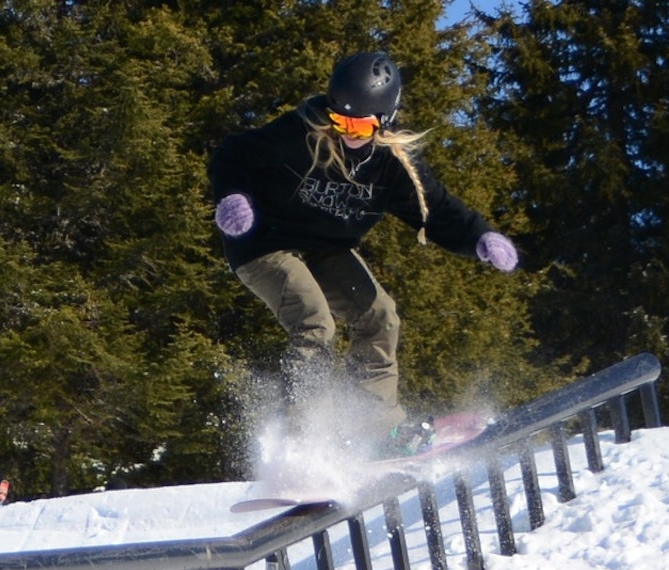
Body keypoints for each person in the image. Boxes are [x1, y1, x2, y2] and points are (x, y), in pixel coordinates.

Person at [207, 52, 518, 454]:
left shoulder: (393, 165)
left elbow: (436, 209)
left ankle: (379, 432)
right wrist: (234, 197)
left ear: (385, 121)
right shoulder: (301, 132)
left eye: (361, 125)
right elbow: (234, 153)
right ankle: (304, 442)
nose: (349, 133)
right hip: (262, 240)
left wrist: (481, 237)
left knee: (380, 316)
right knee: (314, 321)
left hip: (328, 245)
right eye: (340, 121)